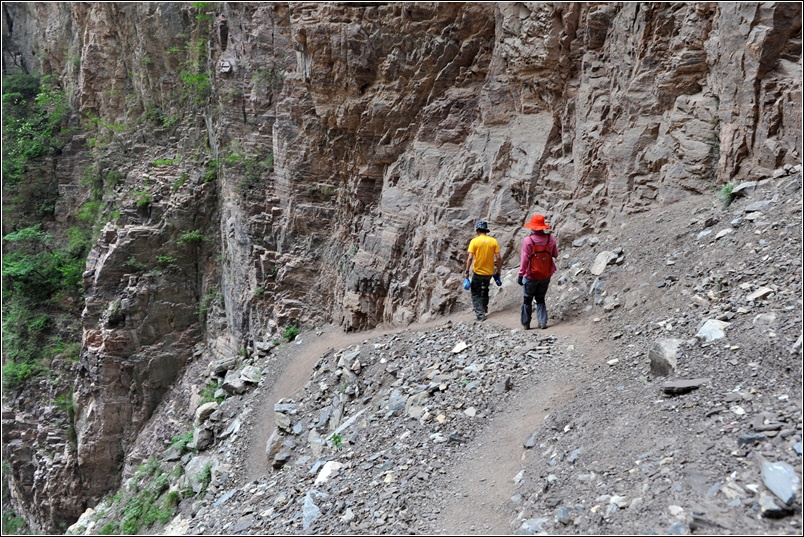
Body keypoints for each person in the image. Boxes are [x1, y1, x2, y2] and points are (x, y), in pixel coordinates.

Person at [517, 214, 559, 329]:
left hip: (531, 275)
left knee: (527, 299)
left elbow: (524, 259)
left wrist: (521, 274)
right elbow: (555, 254)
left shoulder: (528, 240)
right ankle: (542, 322)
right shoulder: (551, 239)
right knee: (540, 298)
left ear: (532, 227)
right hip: (546, 274)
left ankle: (526, 323)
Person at [465, 220, 502, 321]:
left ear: (477, 230)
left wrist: (467, 271)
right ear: (486, 230)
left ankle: (480, 315)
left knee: (475, 292)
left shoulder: (474, 241)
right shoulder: (493, 241)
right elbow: (498, 257)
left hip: (478, 272)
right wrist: (498, 270)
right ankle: (484, 308)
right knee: (485, 289)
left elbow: (470, 258)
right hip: (489, 272)